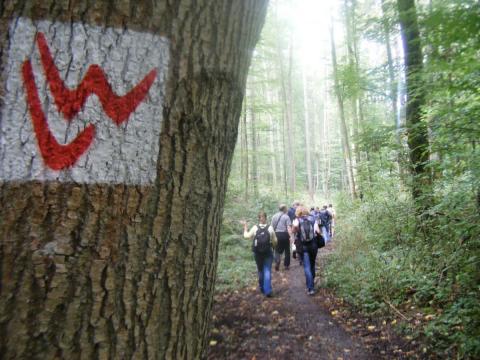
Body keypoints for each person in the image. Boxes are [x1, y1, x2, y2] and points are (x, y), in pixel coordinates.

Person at [242, 211, 277, 297]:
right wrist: (273, 246)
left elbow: (246, 236)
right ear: (266, 218)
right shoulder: (270, 228)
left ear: (258, 218)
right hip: (268, 252)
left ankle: (262, 287)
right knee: (267, 270)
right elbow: (275, 241)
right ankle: (268, 290)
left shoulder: (255, 228)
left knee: (260, 270)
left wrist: (245, 227)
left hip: (257, 253)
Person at [292, 206, 321, 295]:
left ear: (298, 212)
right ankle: (311, 282)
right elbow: (318, 232)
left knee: (307, 267)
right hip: (313, 246)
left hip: (303, 247)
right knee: (312, 265)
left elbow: (294, 231)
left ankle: (310, 288)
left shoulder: (297, 220)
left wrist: (295, 228)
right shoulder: (313, 219)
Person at [271, 204, 292, 271]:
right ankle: (286, 265)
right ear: (284, 209)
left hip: (276, 234)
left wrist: (272, 236)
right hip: (285, 235)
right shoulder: (286, 217)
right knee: (287, 250)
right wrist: (291, 236)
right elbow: (288, 227)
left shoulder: (274, 216)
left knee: (276, 249)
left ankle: (277, 261)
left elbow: (272, 227)